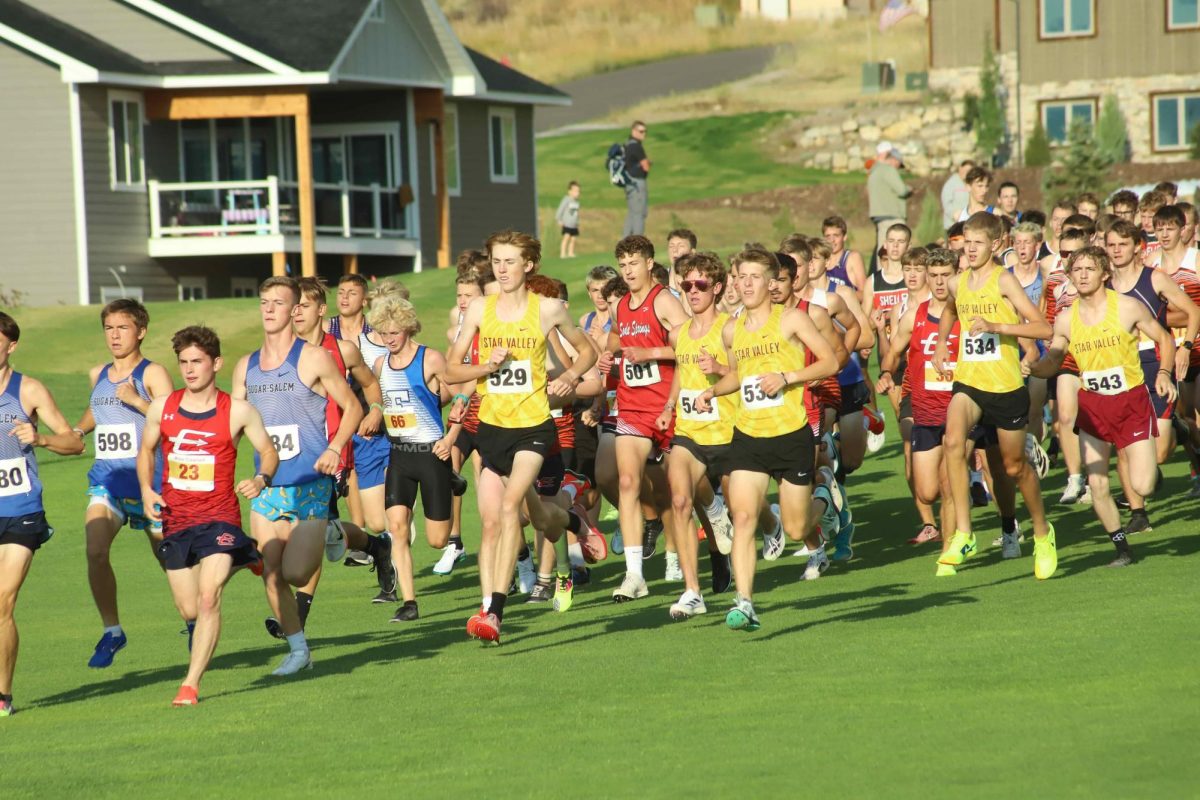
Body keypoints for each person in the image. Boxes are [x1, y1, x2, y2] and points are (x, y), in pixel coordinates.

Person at [444, 230, 596, 643]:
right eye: (497, 261)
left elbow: (588, 352)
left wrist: (567, 377)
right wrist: (484, 368)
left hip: (533, 427)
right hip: (491, 429)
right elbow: (451, 370)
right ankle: (571, 519)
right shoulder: (478, 309)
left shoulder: (547, 310)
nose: (503, 269)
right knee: (520, 519)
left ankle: (493, 611)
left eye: (511, 261)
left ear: (529, 265)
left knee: (512, 507)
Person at [692, 248, 840, 631]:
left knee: (794, 529)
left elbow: (830, 361)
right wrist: (714, 390)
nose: (746, 284)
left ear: (771, 281)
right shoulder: (730, 328)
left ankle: (823, 500)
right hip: (748, 437)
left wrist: (788, 377)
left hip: (791, 436)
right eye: (741, 277)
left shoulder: (791, 319)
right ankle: (745, 603)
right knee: (743, 517)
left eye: (755, 277)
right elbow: (740, 375)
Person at [138, 326, 276, 706]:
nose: (189, 369)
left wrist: (262, 478)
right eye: (183, 362)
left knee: (208, 598)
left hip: (219, 518)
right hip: (177, 520)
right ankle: (246, 553)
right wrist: (148, 490)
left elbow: (268, 451)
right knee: (188, 608)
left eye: (197, 361)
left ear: (216, 363)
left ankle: (190, 684)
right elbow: (146, 450)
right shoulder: (162, 407)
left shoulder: (239, 411)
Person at [233, 277, 364, 675]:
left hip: (309, 484)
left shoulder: (313, 358)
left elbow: (353, 408)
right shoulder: (246, 366)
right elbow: (232, 426)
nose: (269, 308)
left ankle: (333, 531)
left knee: (295, 572)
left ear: (294, 311)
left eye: (278, 302)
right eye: (264, 301)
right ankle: (298, 650)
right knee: (271, 571)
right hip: (268, 487)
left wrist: (334, 448)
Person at [1031, 247, 1177, 567]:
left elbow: (1165, 339)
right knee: (1097, 482)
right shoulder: (1066, 318)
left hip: (1131, 401)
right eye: (1077, 269)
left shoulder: (1127, 308)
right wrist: (1034, 369)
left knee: (1143, 485)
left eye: (1089, 269)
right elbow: (1055, 357)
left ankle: (1158, 457)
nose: (1082, 275)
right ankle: (1122, 548)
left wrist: (1165, 373)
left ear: (1104, 274)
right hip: (1093, 405)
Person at [931, 212, 1056, 579]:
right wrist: (941, 343)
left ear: (996, 244)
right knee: (953, 441)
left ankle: (1042, 531)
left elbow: (1043, 326)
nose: (969, 249)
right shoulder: (958, 282)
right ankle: (965, 534)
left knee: (1015, 468)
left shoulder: (1004, 281)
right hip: (969, 382)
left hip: (1004, 387)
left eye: (977, 243)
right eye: (965, 242)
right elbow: (951, 310)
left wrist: (998, 326)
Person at [271, 277, 395, 635]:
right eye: (291, 306)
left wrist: (375, 409)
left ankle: (297, 619)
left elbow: (371, 386)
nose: (295, 313)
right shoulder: (279, 353)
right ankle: (376, 546)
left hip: (333, 451)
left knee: (312, 528)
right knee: (322, 530)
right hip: (292, 455)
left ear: (321, 310)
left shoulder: (342, 351)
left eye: (303, 306)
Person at [76, 299, 174, 669]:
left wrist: (137, 400)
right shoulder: (97, 373)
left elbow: (171, 419)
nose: (115, 335)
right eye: (109, 328)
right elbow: (96, 409)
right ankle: (112, 631)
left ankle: (195, 620)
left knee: (170, 559)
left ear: (141, 331)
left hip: (149, 482)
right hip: (107, 480)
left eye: (123, 328)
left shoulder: (153, 374)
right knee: (95, 550)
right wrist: (76, 429)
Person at [0, 312, 84, 717]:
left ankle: (3, 696)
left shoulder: (28, 389)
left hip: (21, 511)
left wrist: (42, 437)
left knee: (2, 601)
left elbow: (74, 442)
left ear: (11, 345)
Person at [600, 235, 690, 601]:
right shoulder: (620, 305)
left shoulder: (664, 301)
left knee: (685, 493)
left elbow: (691, 346)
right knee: (626, 482)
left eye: (634, 264)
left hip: (669, 406)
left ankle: (713, 527)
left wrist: (648, 351)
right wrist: (609, 358)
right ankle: (635, 575)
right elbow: (617, 340)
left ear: (650, 263)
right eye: (623, 265)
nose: (628, 271)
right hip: (632, 407)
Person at [1103, 219, 1199, 533]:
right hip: (1121, 370)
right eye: (1111, 245)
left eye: (1122, 244)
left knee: (1157, 452)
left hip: (1156, 365)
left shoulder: (1154, 279)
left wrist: (1184, 346)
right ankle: (1138, 514)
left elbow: (1193, 310)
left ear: (1138, 248)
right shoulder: (1102, 286)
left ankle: (1181, 431)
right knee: (1125, 444)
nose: (1116, 251)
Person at [657, 252, 738, 619]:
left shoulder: (730, 328)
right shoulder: (678, 333)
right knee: (679, 502)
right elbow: (681, 372)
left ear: (717, 287)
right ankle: (693, 591)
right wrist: (669, 406)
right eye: (686, 284)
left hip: (730, 432)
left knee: (745, 512)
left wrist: (718, 368)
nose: (692, 291)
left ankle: (771, 524)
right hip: (689, 433)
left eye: (700, 285)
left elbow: (745, 373)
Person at [370, 296, 455, 622]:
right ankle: (409, 602)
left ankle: (453, 486)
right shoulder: (380, 365)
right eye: (382, 333)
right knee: (397, 529)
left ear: (407, 327)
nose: (389, 339)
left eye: (394, 332)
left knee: (436, 541)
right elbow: (382, 398)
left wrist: (449, 434)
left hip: (432, 455)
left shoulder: (430, 358)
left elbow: (464, 388)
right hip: (400, 456)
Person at [867, 140, 912, 258]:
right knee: (890, 254)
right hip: (892, 217)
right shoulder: (888, 170)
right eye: (899, 164)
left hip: (880, 216)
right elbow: (901, 190)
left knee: (883, 250)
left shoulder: (874, 170)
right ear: (894, 159)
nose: (898, 167)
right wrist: (909, 189)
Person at [821, 216, 867, 299]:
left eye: (836, 235)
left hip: (847, 310)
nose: (832, 240)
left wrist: (840, 297)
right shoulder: (820, 260)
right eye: (828, 236)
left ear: (844, 237)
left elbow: (865, 294)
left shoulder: (852, 258)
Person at [622, 121, 651, 237]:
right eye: (641, 131)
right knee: (639, 214)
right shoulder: (636, 146)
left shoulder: (627, 145)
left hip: (629, 183)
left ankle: (624, 244)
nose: (644, 134)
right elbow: (645, 166)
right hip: (637, 183)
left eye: (645, 131)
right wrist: (647, 164)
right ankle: (637, 245)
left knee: (632, 213)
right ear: (633, 131)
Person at [940, 159, 974, 228]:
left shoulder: (972, 184)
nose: (966, 173)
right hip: (953, 225)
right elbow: (946, 203)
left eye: (969, 171)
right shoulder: (951, 183)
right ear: (960, 169)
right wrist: (953, 214)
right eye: (965, 170)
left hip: (969, 225)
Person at [555, 181, 581, 259]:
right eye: (575, 191)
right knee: (566, 238)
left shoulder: (577, 202)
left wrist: (577, 222)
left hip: (574, 225)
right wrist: (559, 219)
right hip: (567, 224)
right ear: (570, 191)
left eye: (578, 191)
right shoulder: (566, 200)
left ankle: (570, 253)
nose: (577, 193)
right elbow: (560, 210)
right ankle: (563, 253)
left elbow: (576, 214)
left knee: (573, 239)